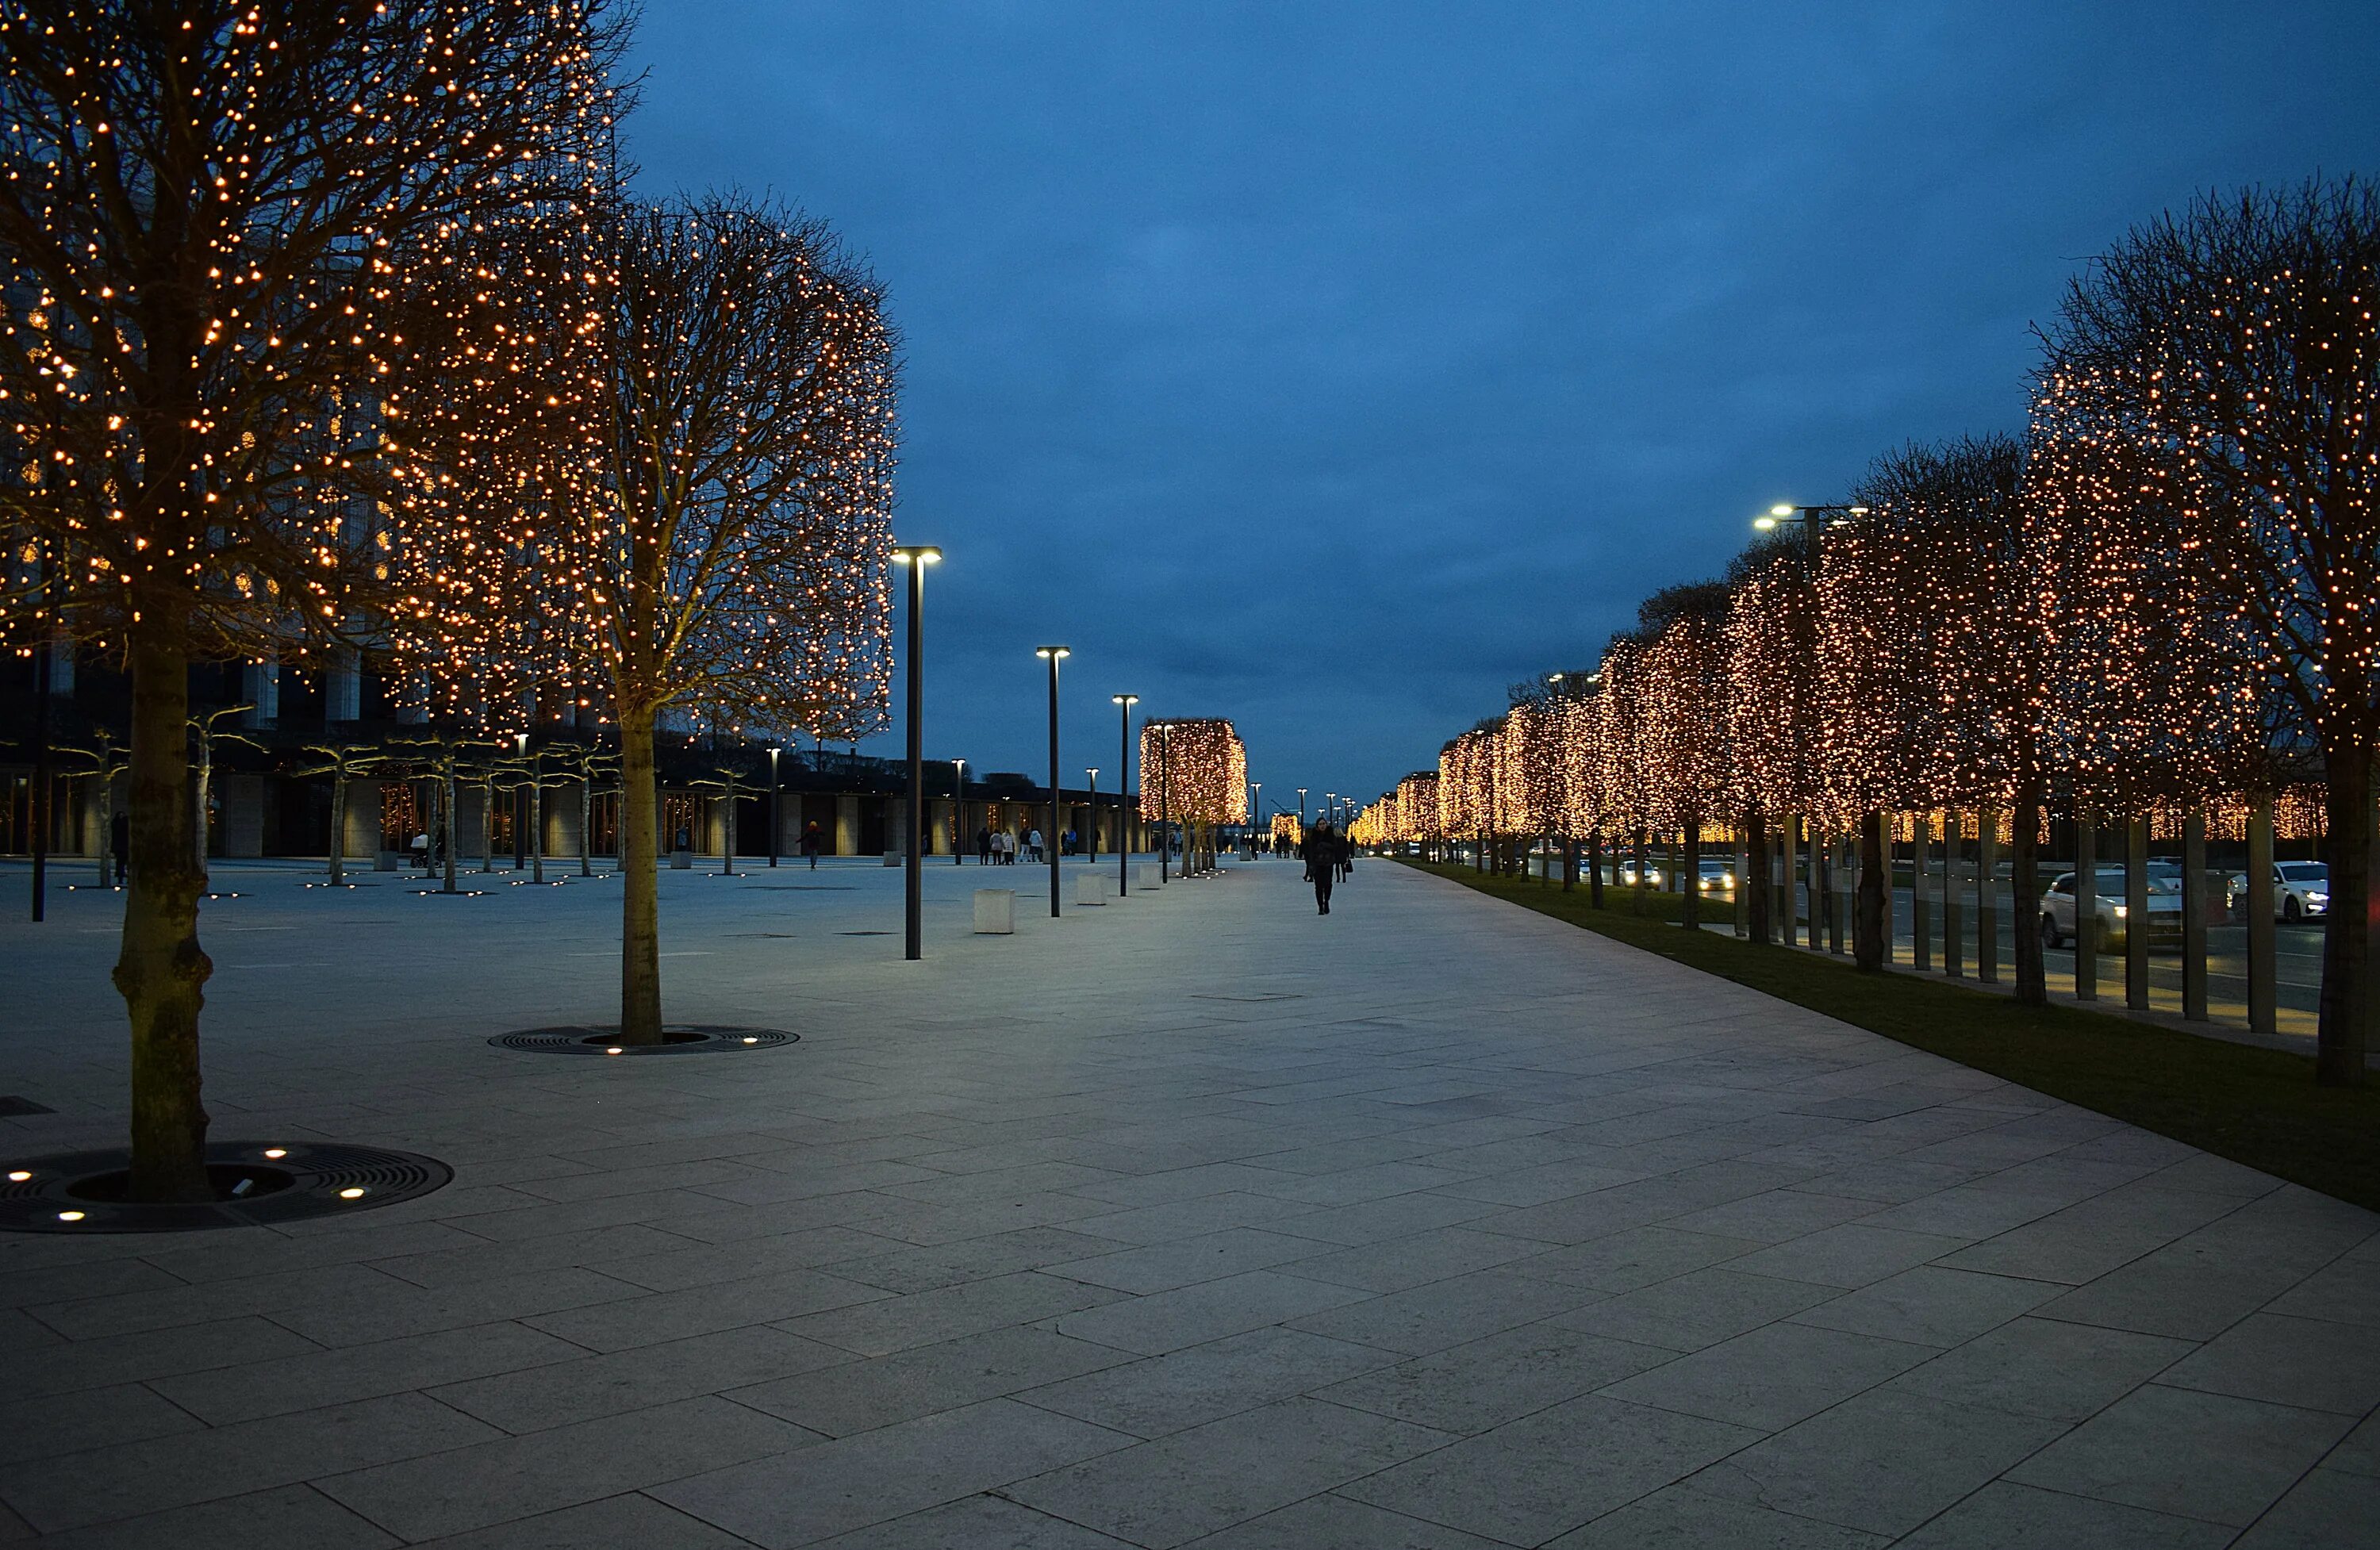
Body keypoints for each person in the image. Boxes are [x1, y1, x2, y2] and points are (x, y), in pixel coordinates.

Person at [1301, 822, 1337, 914]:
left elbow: (1336, 847)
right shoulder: (1314, 837)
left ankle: (1327, 901)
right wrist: (1311, 864)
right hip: (1317, 863)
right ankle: (1321, 906)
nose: (1322, 826)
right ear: (1317, 826)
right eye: (1320, 824)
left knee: (1328, 884)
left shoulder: (1331, 835)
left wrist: (1325, 845)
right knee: (1319, 886)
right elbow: (1311, 851)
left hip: (1328, 863)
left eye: (1323, 824)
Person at [109, 808, 129, 884]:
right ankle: (121, 878)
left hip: (121, 848)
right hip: (122, 848)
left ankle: (122, 878)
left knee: (121, 864)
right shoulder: (122, 824)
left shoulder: (116, 823)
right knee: (121, 864)